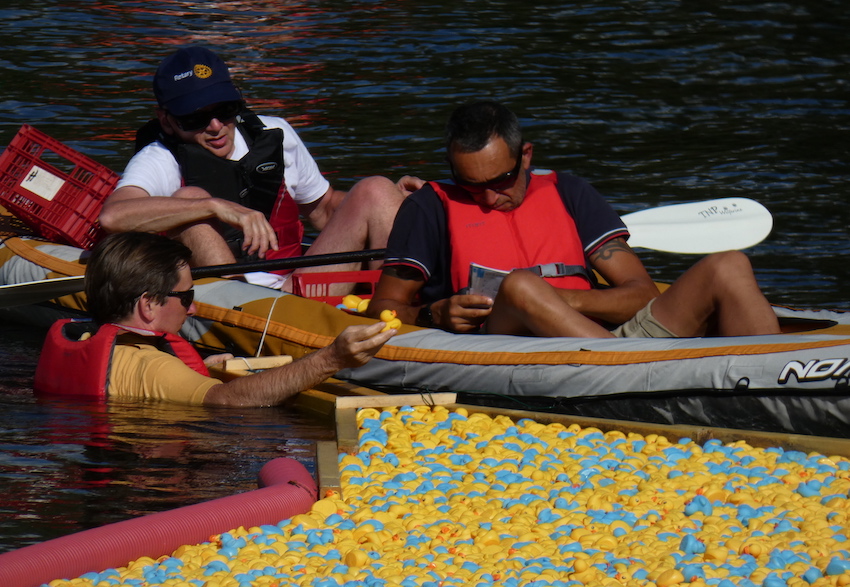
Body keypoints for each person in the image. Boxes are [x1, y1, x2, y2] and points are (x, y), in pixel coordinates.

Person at [366, 100, 780, 339]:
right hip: (510, 352)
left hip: (619, 346)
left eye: (503, 179)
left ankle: (782, 377)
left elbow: (640, 296)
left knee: (729, 264)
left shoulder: (570, 192)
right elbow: (381, 308)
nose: (491, 197)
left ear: (526, 155)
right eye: (472, 185)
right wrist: (431, 315)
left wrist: (557, 299)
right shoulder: (428, 209)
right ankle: (635, 374)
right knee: (521, 286)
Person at [98, 45, 422, 290]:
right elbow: (113, 217)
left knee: (376, 188)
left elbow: (324, 209)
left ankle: (395, 310)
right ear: (166, 120)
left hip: (300, 288)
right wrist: (215, 206)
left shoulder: (273, 133)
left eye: (225, 110)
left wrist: (401, 204)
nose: (215, 126)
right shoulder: (159, 159)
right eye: (195, 117)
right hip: (231, 303)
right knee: (189, 196)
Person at [34, 232, 396, 406]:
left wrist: (195, 369)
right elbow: (227, 400)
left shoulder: (84, 340)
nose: (192, 309)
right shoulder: (153, 369)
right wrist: (332, 359)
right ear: (148, 305)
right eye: (186, 297)